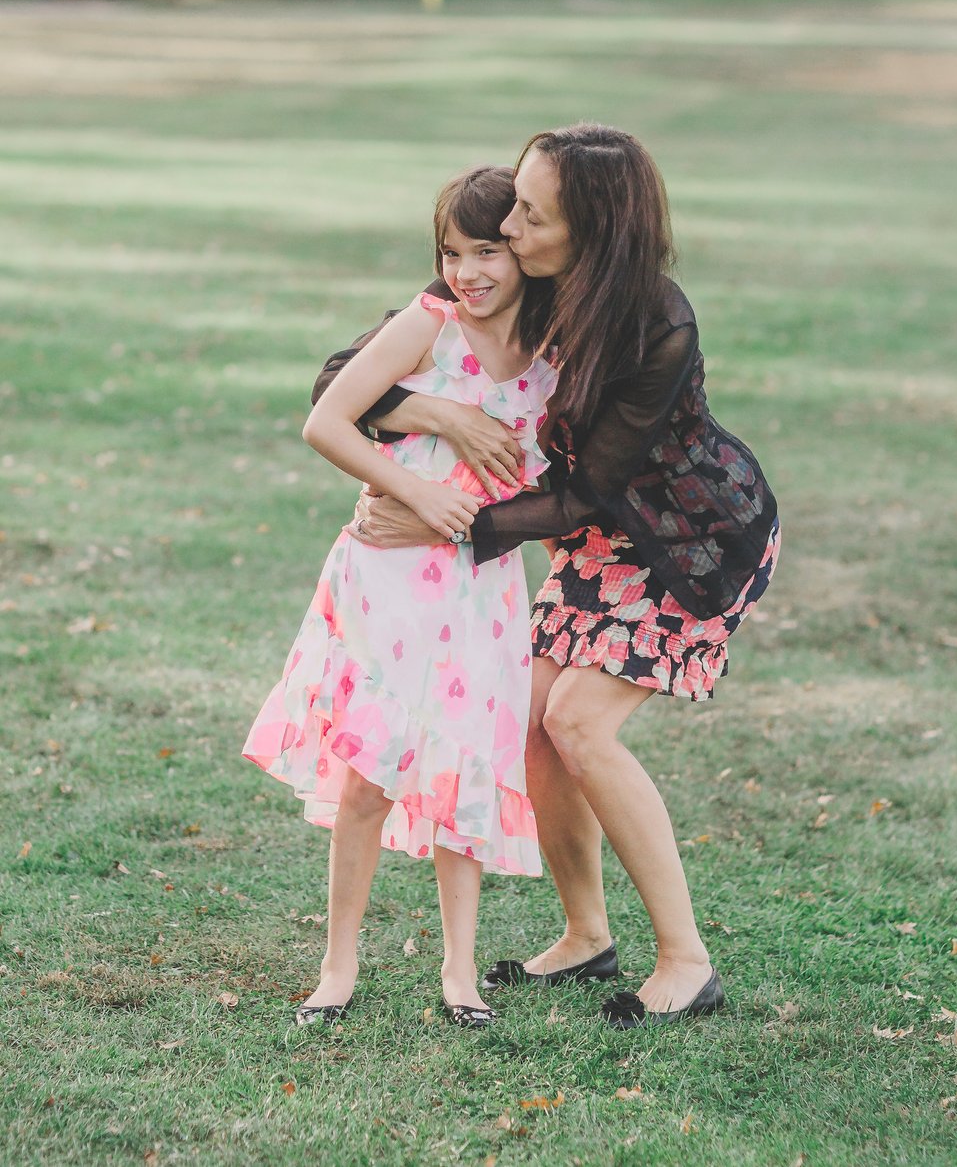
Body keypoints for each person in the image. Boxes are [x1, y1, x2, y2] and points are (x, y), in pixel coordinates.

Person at [316, 123, 780, 1029]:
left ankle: (687, 963)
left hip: (689, 539)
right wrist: (440, 411)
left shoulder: (656, 325)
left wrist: (439, 521)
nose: (510, 228)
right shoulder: (514, 278)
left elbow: (586, 492)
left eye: (531, 215)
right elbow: (347, 373)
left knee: (578, 721)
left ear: (591, 228)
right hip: (602, 538)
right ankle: (586, 933)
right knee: (527, 724)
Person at [243, 166, 558, 1029]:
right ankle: (337, 964)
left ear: (525, 251)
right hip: (389, 578)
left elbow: (549, 479)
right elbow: (326, 421)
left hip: (481, 586)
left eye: (487, 250)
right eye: (451, 253)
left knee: (465, 766)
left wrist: (455, 522)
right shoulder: (431, 325)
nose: (468, 271)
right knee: (369, 773)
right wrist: (417, 485)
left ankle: (460, 972)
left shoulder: (555, 345)